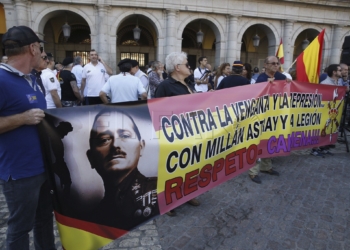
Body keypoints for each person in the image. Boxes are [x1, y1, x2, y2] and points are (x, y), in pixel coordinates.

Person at [0, 25, 56, 249]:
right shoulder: (2, 79)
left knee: (44, 220)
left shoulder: (32, 78)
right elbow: (26, 117)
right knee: (20, 227)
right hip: (20, 172)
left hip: (42, 166)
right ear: (33, 48)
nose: (42, 54)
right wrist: (21, 118)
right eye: (40, 49)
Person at [87, 108, 159, 230]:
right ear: (91, 158)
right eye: (104, 140)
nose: (115, 145)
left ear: (141, 147)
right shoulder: (93, 218)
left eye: (125, 135)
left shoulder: (160, 188)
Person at [155, 51, 200, 216]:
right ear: (177, 67)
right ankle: (168, 202)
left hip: (192, 133)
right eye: (187, 64)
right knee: (172, 170)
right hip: (174, 136)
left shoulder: (189, 83)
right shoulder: (165, 86)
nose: (190, 67)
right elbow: (157, 112)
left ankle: (187, 194)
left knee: (190, 166)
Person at [249, 56, 286, 184]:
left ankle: (266, 166)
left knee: (270, 141)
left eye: (277, 63)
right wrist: (265, 86)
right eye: (273, 63)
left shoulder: (281, 77)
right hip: (261, 116)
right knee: (258, 143)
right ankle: (253, 172)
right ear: (265, 65)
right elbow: (255, 96)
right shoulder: (260, 78)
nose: (276, 65)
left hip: (275, 115)